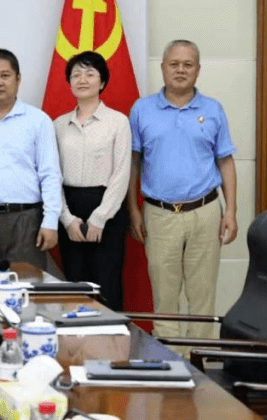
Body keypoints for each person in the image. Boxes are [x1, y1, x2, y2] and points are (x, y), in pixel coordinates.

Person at [128, 40, 238, 338]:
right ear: (163, 68)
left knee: (202, 296)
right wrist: (133, 210)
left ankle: (200, 362)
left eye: (187, 65)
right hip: (159, 214)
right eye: (174, 64)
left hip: (205, 212)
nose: (180, 70)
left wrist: (231, 211)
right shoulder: (142, 110)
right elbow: (133, 163)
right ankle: (172, 361)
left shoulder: (213, 109)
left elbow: (225, 161)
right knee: (165, 297)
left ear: (198, 70)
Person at [0, 48, 61, 271]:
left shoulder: (38, 121)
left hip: (26, 220)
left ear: (18, 79)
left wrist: (50, 221)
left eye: (5, 75)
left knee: (27, 284)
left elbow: (50, 174)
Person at [53, 51, 131, 310]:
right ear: (69, 82)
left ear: (103, 82)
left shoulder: (118, 122)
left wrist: (100, 217)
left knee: (107, 284)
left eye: (90, 74)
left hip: (107, 208)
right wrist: (67, 219)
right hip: (70, 208)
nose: (82, 79)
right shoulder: (58, 125)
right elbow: (52, 176)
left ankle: (110, 336)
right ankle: (76, 336)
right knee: (75, 286)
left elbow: (121, 173)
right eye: (76, 75)